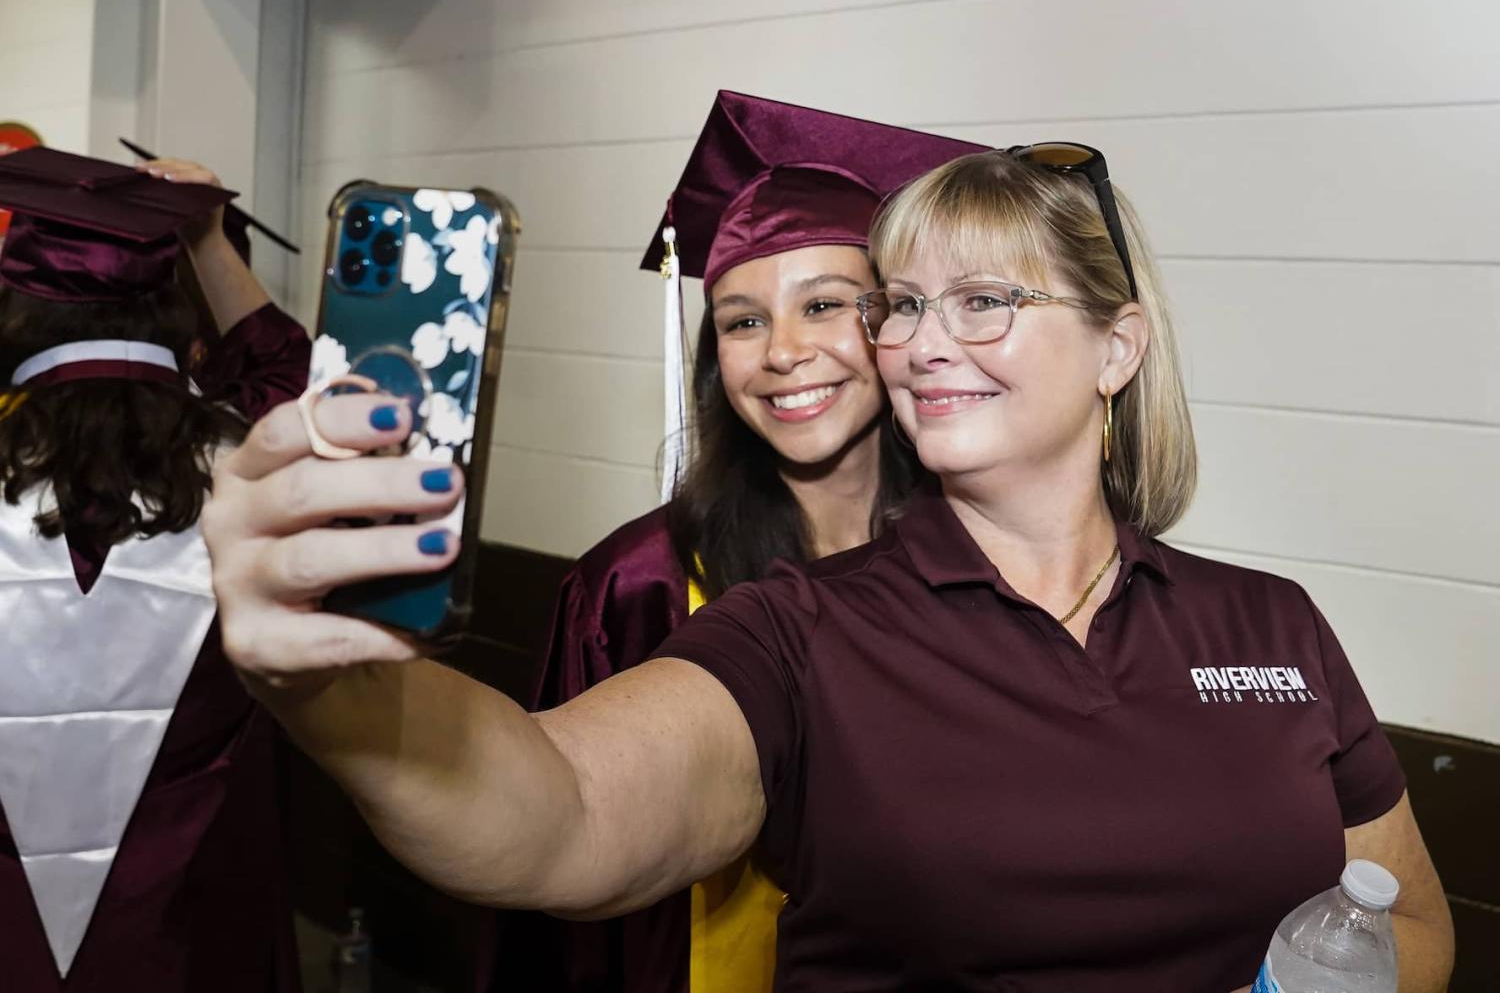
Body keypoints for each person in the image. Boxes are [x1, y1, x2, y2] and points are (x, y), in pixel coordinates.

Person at [200, 139, 1455, 989]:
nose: (917, 341)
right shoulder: (804, 630)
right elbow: (563, 816)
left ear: (1116, 347)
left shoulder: (1272, 625)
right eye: (903, 303)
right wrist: (337, 685)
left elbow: (1411, 918)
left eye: (983, 300)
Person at [526, 91, 984, 992]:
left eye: (824, 305)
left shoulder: (982, 561)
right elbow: (561, 880)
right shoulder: (637, 586)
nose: (780, 351)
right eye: (741, 320)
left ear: (897, 326)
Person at [0, 146, 309, 991]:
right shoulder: (254, 457)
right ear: (174, 313)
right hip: (196, 914)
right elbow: (290, 370)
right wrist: (206, 237)